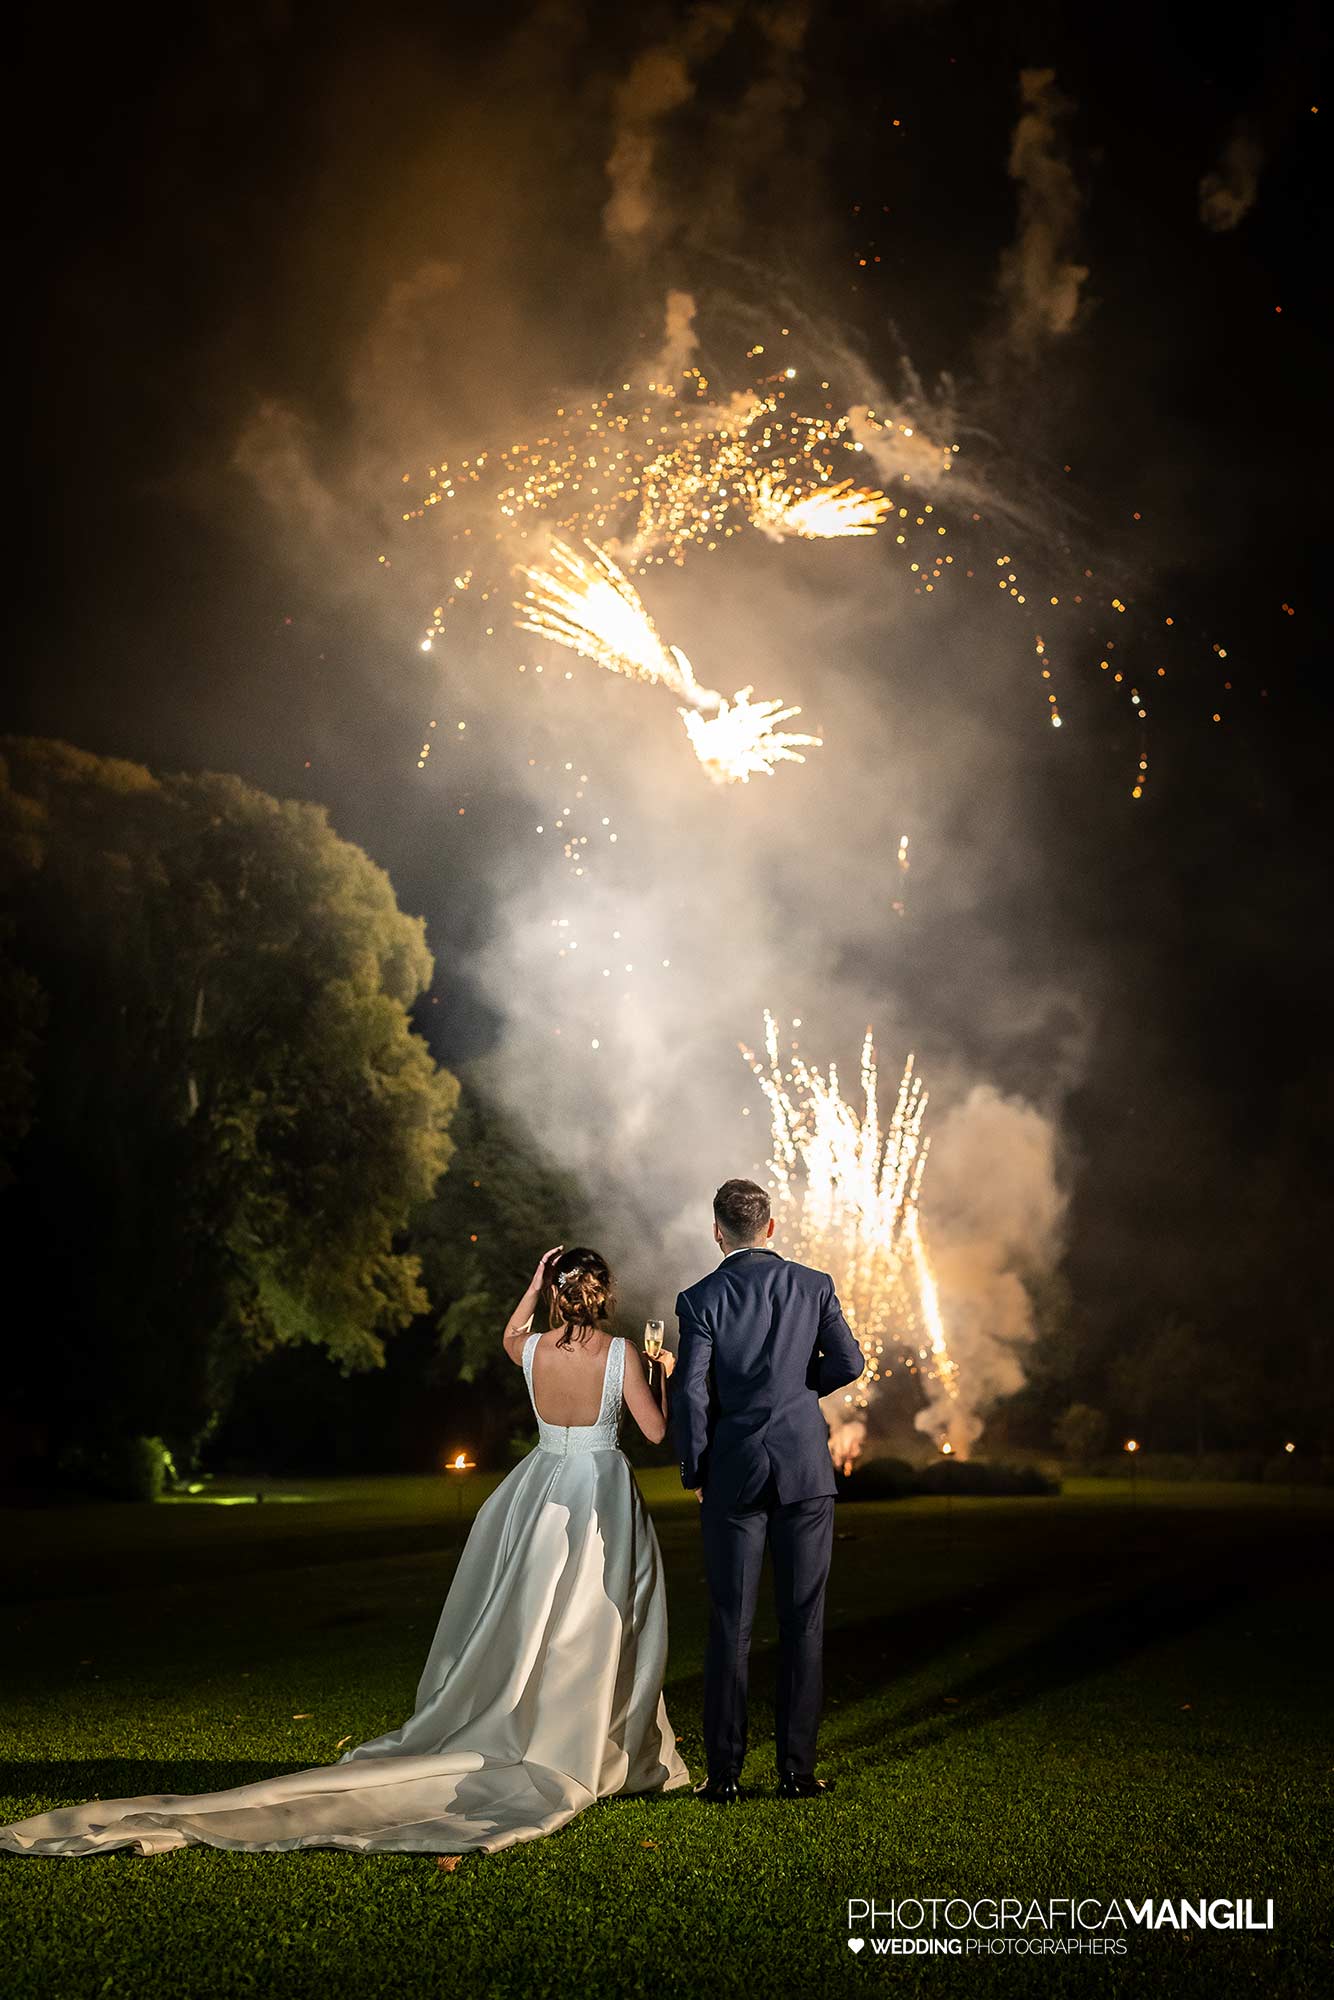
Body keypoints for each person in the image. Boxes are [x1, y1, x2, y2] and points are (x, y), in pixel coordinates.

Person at [0, 1245, 689, 1858]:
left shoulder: (532, 1350)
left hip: (536, 1493)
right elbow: (657, 1436)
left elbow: (511, 1332)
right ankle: (591, 1741)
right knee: (595, 1623)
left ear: (557, 1290)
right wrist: (663, 1373)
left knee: (529, 1621)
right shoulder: (622, 1354)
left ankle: (535, 1726)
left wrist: (533, 1283)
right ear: (605, 1298)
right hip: (596, 1493)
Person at [673, 1179, 865, 1803]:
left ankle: (723, 1776)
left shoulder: (700, 1298)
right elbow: (849, 1363)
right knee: (803, 1622)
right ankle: (796, 1771)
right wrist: (799, 1386)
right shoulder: (814, 1286)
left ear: (717, 1232)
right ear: (772, 1227)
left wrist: (696, 1471)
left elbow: (694, 1393)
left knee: (731, 1624)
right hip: (806, 1469)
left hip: (733, 1472)